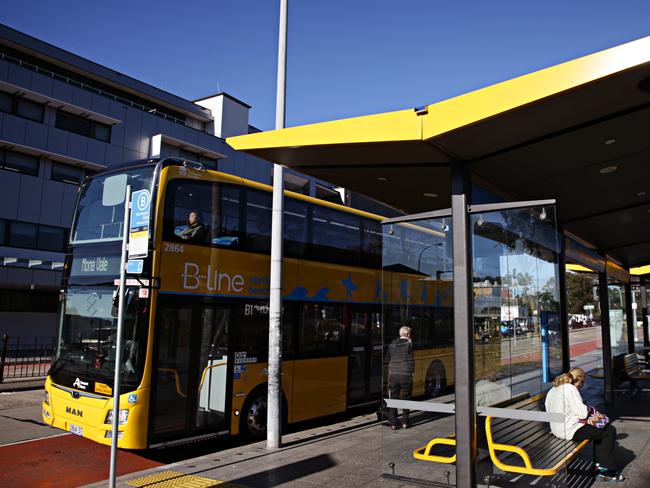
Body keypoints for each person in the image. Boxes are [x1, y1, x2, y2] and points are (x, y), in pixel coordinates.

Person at [545, 368, 623, 482]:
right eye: (580, 385)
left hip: (557, 429)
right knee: (609, 431)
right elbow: (582, 414)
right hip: (570, 430)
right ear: (578, 380)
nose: (579, 388)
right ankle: (606, 472)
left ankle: (600, 467)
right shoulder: (570, 388)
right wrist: (585, 408)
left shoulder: (553, 389)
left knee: (599, 431)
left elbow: (549, 411)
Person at [386, 326, 415, 430]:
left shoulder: (392, 344)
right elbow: (411, 360)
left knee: (393, 398)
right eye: (410, 334)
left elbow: (387, 359)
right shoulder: (409, 345)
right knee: (406, 398)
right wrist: (411, 372)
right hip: (405, 375)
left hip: (394, 375)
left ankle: (393, 423)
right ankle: (405, 422)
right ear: (407, 335)